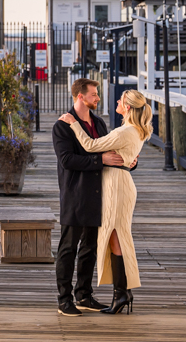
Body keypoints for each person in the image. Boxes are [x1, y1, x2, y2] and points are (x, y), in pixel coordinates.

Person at [59, 89, 152, 315]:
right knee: (115, 237)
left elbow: (91, 146)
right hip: (119, 184)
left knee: (117, 237)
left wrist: (73, 123)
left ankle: (122, 292)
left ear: (128, 107)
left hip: (118, 187)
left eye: (120, 100)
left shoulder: (125, 131)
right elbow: (124, 156)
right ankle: (121, 293)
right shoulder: (133, 131)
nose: (116, 101)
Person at [52, 78, 130, 316]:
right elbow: (67, 160)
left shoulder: (98, 122)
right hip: (75, 194)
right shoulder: (63, 125)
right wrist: (100, 160)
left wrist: (130, 163)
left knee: (89, 248)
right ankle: (64, 300)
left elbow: (111, 153)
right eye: (94, 94)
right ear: (80, 97)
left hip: (99, 194)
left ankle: (83, 295)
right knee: (68, 248)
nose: (98, 98)